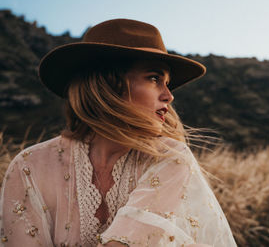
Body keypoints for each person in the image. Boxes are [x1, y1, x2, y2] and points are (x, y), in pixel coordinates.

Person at [0, 19, 237, 246]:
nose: (169, 95)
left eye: (167, 83)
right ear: (109, 84)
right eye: (154, 78)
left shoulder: (169, 156)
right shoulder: (29, 166)